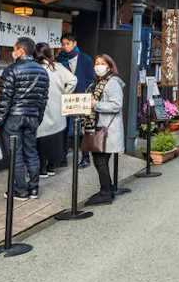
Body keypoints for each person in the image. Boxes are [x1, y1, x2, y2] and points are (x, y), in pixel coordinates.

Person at [0, 36, 50, 201]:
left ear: (21, 51)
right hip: (33, 117)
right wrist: (38, 118)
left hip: (14, 118)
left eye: (14, 50)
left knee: (16, 154)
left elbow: (4, 101)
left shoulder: (11, 70)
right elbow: (43, 99)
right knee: (31, 152)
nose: (13, 53)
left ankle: (20, 190)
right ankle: (34, 189)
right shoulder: (42, 71)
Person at [83, 54, 125, 206]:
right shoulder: (98, 83)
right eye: (96, 63)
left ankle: (106, 192)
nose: (98, 66)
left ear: (109, 66)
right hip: (100, 127)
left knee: (100, 160)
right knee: (100, 160)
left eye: (102, 63)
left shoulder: (112, 83)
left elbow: (116, 105)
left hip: (107, 128)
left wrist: (96, 105)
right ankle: (107, 189)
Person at [34, 42, 77, 177]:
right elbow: (73, 80)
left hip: (41, 107)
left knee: (41, 138)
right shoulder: (57, 67)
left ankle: (42, 168)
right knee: (55, 137)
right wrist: (64, 94)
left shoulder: (36, 68)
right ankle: (52, 166)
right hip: (57, 107)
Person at [56, 32, 94, 169]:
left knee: (83, 129)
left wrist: (88, 95)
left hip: (81, 98)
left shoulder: (85, 59)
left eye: (68, 44)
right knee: (64, 129)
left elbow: (90, 79)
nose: (65, 47)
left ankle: (85, 157)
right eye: (63, 44)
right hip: (65, 98)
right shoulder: (59, 60)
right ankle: (63, 157)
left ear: (74, 44)